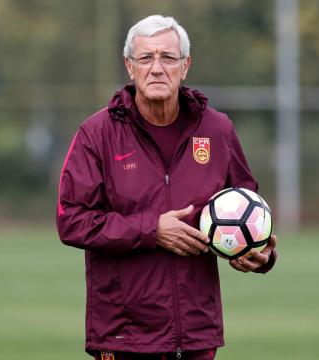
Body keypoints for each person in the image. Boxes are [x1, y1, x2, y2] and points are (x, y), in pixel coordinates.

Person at [56, 15, 278, 360]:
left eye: (168, 57)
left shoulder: (218, 131)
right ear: (129, 67)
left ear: (185, 66)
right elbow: (71, 221)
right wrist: (151, 230)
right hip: (123, 335)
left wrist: (259, 254)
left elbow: (247, 208)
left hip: (196, 335)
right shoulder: (96, 134)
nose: (156, 68)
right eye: (146, 58)